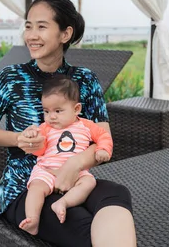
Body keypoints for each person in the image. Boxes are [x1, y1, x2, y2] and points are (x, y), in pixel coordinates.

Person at [0, 0, 136, 247]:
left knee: (117, 193)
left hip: (75, 178)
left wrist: (74, 165)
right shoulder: (10, 78)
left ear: (65, 34)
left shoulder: (85, 79)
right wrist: (18, 139)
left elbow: (103, 137)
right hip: (27, 187)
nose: (31, 35)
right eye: (28, 26)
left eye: (41, 26)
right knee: (80, 224)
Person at [19, 75, 113, 235]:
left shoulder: (86, 125)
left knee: (88, 183)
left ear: (76, 109)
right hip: (47, 170)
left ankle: (63, 203)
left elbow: (103, 136)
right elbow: (39, 152)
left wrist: (103, 149)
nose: (51, 116)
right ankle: (32, 219)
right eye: (46, 111)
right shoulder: (45, 128)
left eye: (58, 111)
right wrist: (32, 139)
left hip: (76, 173)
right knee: (35, 188)